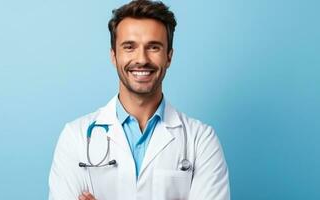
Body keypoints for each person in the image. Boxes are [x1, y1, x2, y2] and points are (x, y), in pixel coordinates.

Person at [48, 0, 230, 199]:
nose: (142, 59)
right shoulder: (75, 138)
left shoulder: (201, 141)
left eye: (153, 47)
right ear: (113, 56)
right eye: (129, 47)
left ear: (169, 56)